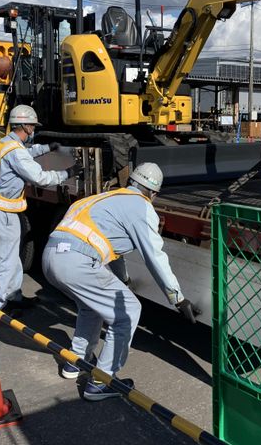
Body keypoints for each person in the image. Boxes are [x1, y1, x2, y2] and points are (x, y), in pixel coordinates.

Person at [43, 162, 200, 401]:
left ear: (131, 182)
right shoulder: (141, 206)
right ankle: (101, 382)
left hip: (51, 257)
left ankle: (75, 363)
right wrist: (177, 298)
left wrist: (123, 280)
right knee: (128, 310)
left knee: (91, 307)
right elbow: (155, 256)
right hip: (77, 262)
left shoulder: (102, 198)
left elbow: (109, 249)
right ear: (153, 192)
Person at [0, 104, 80, 314]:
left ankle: (14, 296)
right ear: (24, 126)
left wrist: (47, 147)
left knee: (13, 257)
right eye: (32, 127)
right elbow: (40, 178)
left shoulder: (4, 143)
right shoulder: (15, 152)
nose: (33, 130)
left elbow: (27, 152)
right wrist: (68, 173)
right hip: (1, 212)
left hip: (2, 210)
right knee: (3, 261)